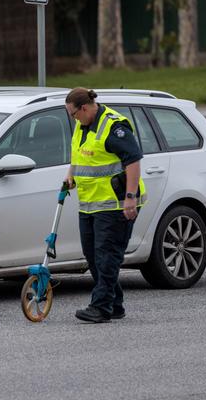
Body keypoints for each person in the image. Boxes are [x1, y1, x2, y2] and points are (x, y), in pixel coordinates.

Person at [64, 87, 146, 323]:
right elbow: (79, 156)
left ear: (86, 108)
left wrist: (130, 198)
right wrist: (71, 175)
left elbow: (133, 161)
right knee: (93, 256)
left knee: (107, 256)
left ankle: (100, 307)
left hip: (115, 203)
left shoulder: (114, 126)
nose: (73, 118)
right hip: (90, 204)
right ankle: (114, 304)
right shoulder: (83, 126)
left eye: (74, 114)